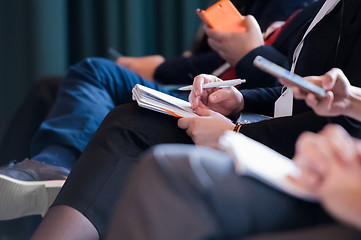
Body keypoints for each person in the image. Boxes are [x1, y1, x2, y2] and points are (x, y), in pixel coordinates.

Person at [29, 1, 361, 238]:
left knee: (150, 147)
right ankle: (45, 171)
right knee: (129, 118)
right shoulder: (322, 11)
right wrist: (239, 100)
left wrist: (236, 132)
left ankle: (55, 167)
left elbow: (341, 123)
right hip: (271, 129)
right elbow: (295, 95)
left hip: (309, 163)